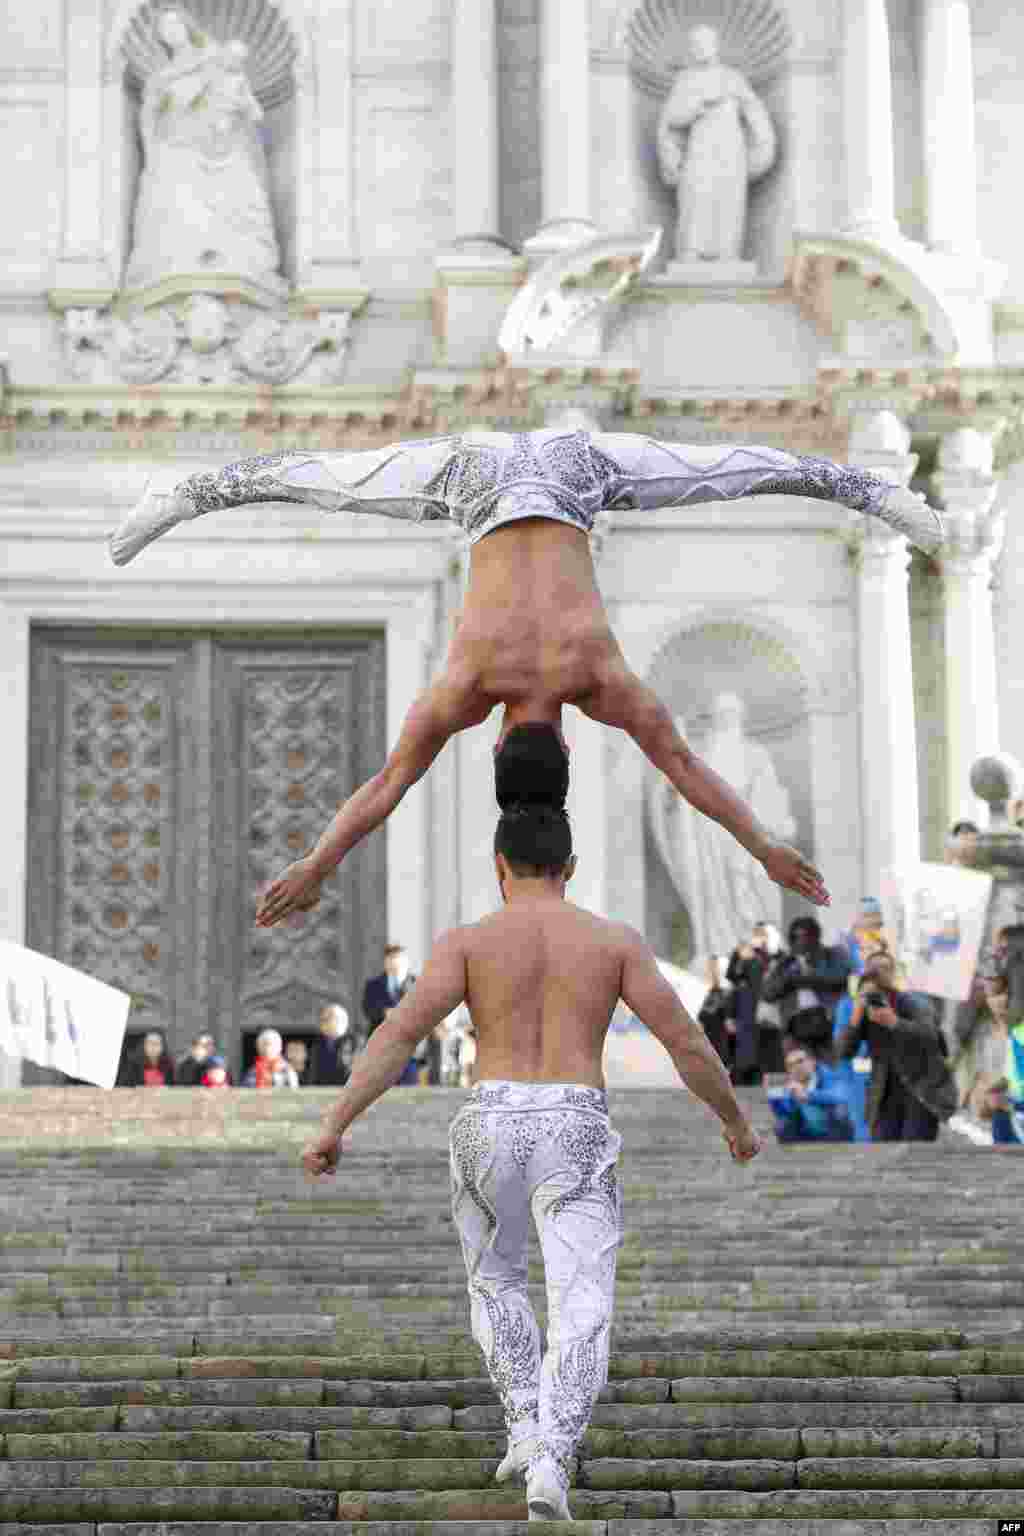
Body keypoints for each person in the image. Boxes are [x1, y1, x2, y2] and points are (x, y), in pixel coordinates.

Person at [108, 430, 945, 927]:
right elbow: (383, 790)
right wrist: (316, 866)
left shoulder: (600, 678)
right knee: (328, 485)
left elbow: (691, 775)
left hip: (573, 474)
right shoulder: (468, 686)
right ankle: (188, 493)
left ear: (562, 746)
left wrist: (766, 849)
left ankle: (870, 491)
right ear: (502, 739)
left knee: (733, 471)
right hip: (477, 478)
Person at [297, 797, 760, 1520]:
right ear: (570, 869)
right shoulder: (612, 941)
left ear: (499, 867)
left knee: (495, 1283)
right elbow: (687, 1043)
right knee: (580, 1306)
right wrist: (733, 1120)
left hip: (489, 1121)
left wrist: (334, 1123)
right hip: (572, 1122)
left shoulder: (468, 942)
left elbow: (397, 1036)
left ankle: (522, 1425)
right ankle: (552, 1457)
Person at [834, 950, 958, 1141]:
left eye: (885, 968)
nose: (878, 973)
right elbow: (843, 1051)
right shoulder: (864, 1006)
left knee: (916, 1154)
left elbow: (931, 1037)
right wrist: (856, 1016)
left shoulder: (914, 1002)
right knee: (884, 1152)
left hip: (920, 1089)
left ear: (893, 974)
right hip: (884, 1091)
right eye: (873, 969)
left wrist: (894, 1022)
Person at [761, 915, 851, 1061]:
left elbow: (841, 979)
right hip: (795, 1025)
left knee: (831, 1068)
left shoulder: (831, 955)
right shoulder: (786, 963)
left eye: (805, 936)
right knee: (800, 1072)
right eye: (796, 937)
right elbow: (768, 993)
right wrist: (789, 980)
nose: (801, 941)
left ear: (815, 936)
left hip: (828, 1022)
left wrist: (804, 977)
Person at [766, 1039, 855, 1143]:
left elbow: (840, 1096)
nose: (796, 1067)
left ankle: (842, 1151)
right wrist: (777, 1097)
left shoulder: (828, 1075)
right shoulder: (789, 1085)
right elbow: (781, 1113)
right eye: (791, 1065)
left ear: (812, 1061)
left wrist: (808, 1096)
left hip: (830, 1132)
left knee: (840, 1111)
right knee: (781, 1124)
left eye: (800, 1061)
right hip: (804, 1133)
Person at [363, 944, 420, 1086]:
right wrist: (384, 1012)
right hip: (381, 1048)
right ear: (385, 962)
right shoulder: (373, 985)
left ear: (406, 962)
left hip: (408, 1049)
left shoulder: (418, 984)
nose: (395, 963)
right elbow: (367, 1009)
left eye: (399, 959)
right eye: (391, 959)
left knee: (409, 1092)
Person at [726, 920, 771, 1085]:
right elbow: (732, 976)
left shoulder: (768, 953)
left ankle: (757, 1074)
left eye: (763, 933)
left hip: (763, 1001)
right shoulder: (742, 951)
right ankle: (741, 1074)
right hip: (745, 1002)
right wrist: (743, 959)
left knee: (761, 1040)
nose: (760, 936)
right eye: (757, 932)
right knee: (744, 1040)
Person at [309, 1003, 361, 1087]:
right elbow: (313, 1072)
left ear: (342, 1021)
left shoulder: (356, 1042)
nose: (323, 1022)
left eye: (328, 1018)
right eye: (322, 1019)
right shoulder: (317, 1043)